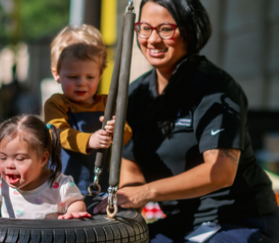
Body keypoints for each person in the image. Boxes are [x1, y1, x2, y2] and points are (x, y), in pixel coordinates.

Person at [94, 0, 279, 242]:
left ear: (189, 32)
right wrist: (127, 203)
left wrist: (147, 192)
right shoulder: (135, 94)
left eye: (165, 29)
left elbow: (220, 172)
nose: (152, 39)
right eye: (145, 28)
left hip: (238, 220)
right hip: (182, 222)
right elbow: (131, 166)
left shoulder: (215, 89)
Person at [44, 24, 133, 195]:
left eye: (90, 77)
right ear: (57, 74)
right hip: (63, 185)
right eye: (73, 77)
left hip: (101, 184)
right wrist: (89, 140)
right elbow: (59, 133)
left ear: (100, 75)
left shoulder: (108, 103)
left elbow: (127, 132)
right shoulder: (57, 103)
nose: (82, 83)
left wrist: (117, 131)